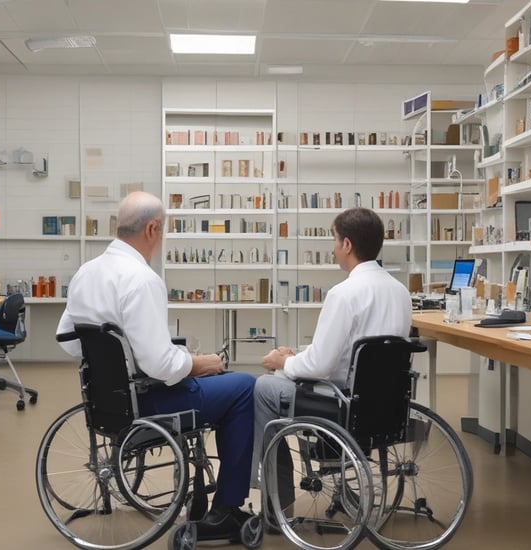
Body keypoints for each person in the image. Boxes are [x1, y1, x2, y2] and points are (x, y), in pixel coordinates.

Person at [57, 191, 256, 542]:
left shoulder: (86, 273)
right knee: (242, 386)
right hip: (151, 405)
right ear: (153, 228)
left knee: (213, 377)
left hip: (106, 402)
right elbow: (161, 365)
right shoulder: (142, 279)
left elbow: (70, 340)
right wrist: (199, 363)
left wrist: (117, 361)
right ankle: (227, 507)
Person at [252, 206, 412, 485]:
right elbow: (358, 353)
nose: (334, 248)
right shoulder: (400, 292)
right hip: (385, 403)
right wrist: (298, 357)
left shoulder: (344, 294)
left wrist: (283, 362)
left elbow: (320, 366)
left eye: (335, 240)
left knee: (264, 387)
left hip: (342, 403)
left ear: (347, 244)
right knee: (290, 371)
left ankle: (273, 495)